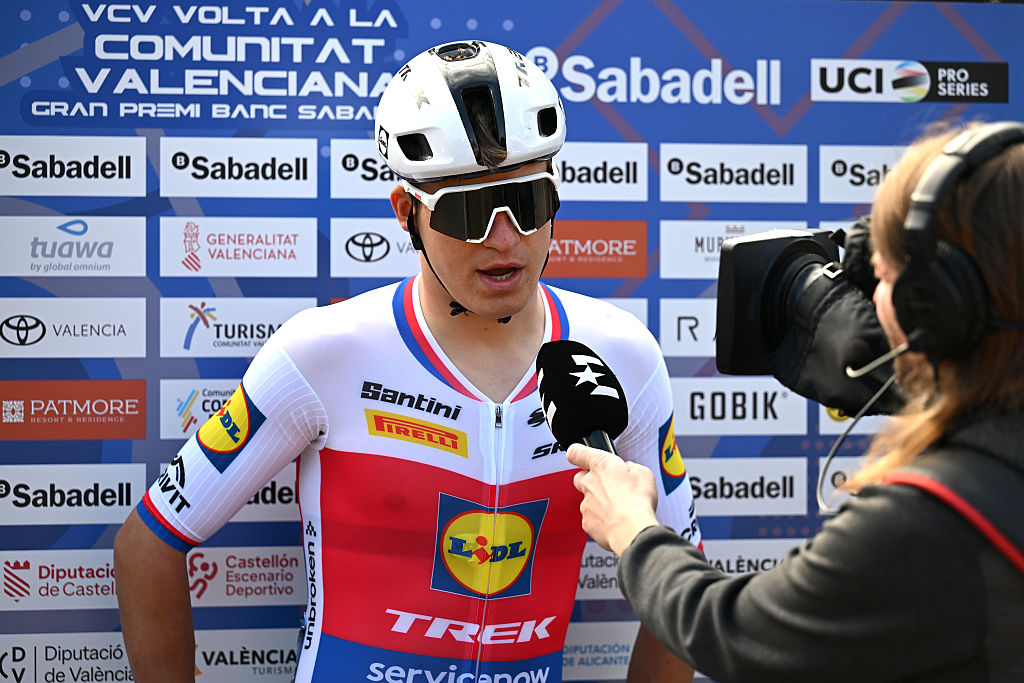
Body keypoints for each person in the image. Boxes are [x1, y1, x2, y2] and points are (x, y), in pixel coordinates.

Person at [113, 40, 702, 683]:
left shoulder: (621, 354)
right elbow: (148, 544)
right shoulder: (325, 352)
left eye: (527, 204)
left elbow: (682, 581)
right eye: (469, 211)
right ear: (406, 213)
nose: (503, 239)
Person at [566, 121, 1024, 682]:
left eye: (879, 276)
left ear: (935, 305)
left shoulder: (929, 520)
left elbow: (730, 632)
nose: (870, 298)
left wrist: (633, 528)